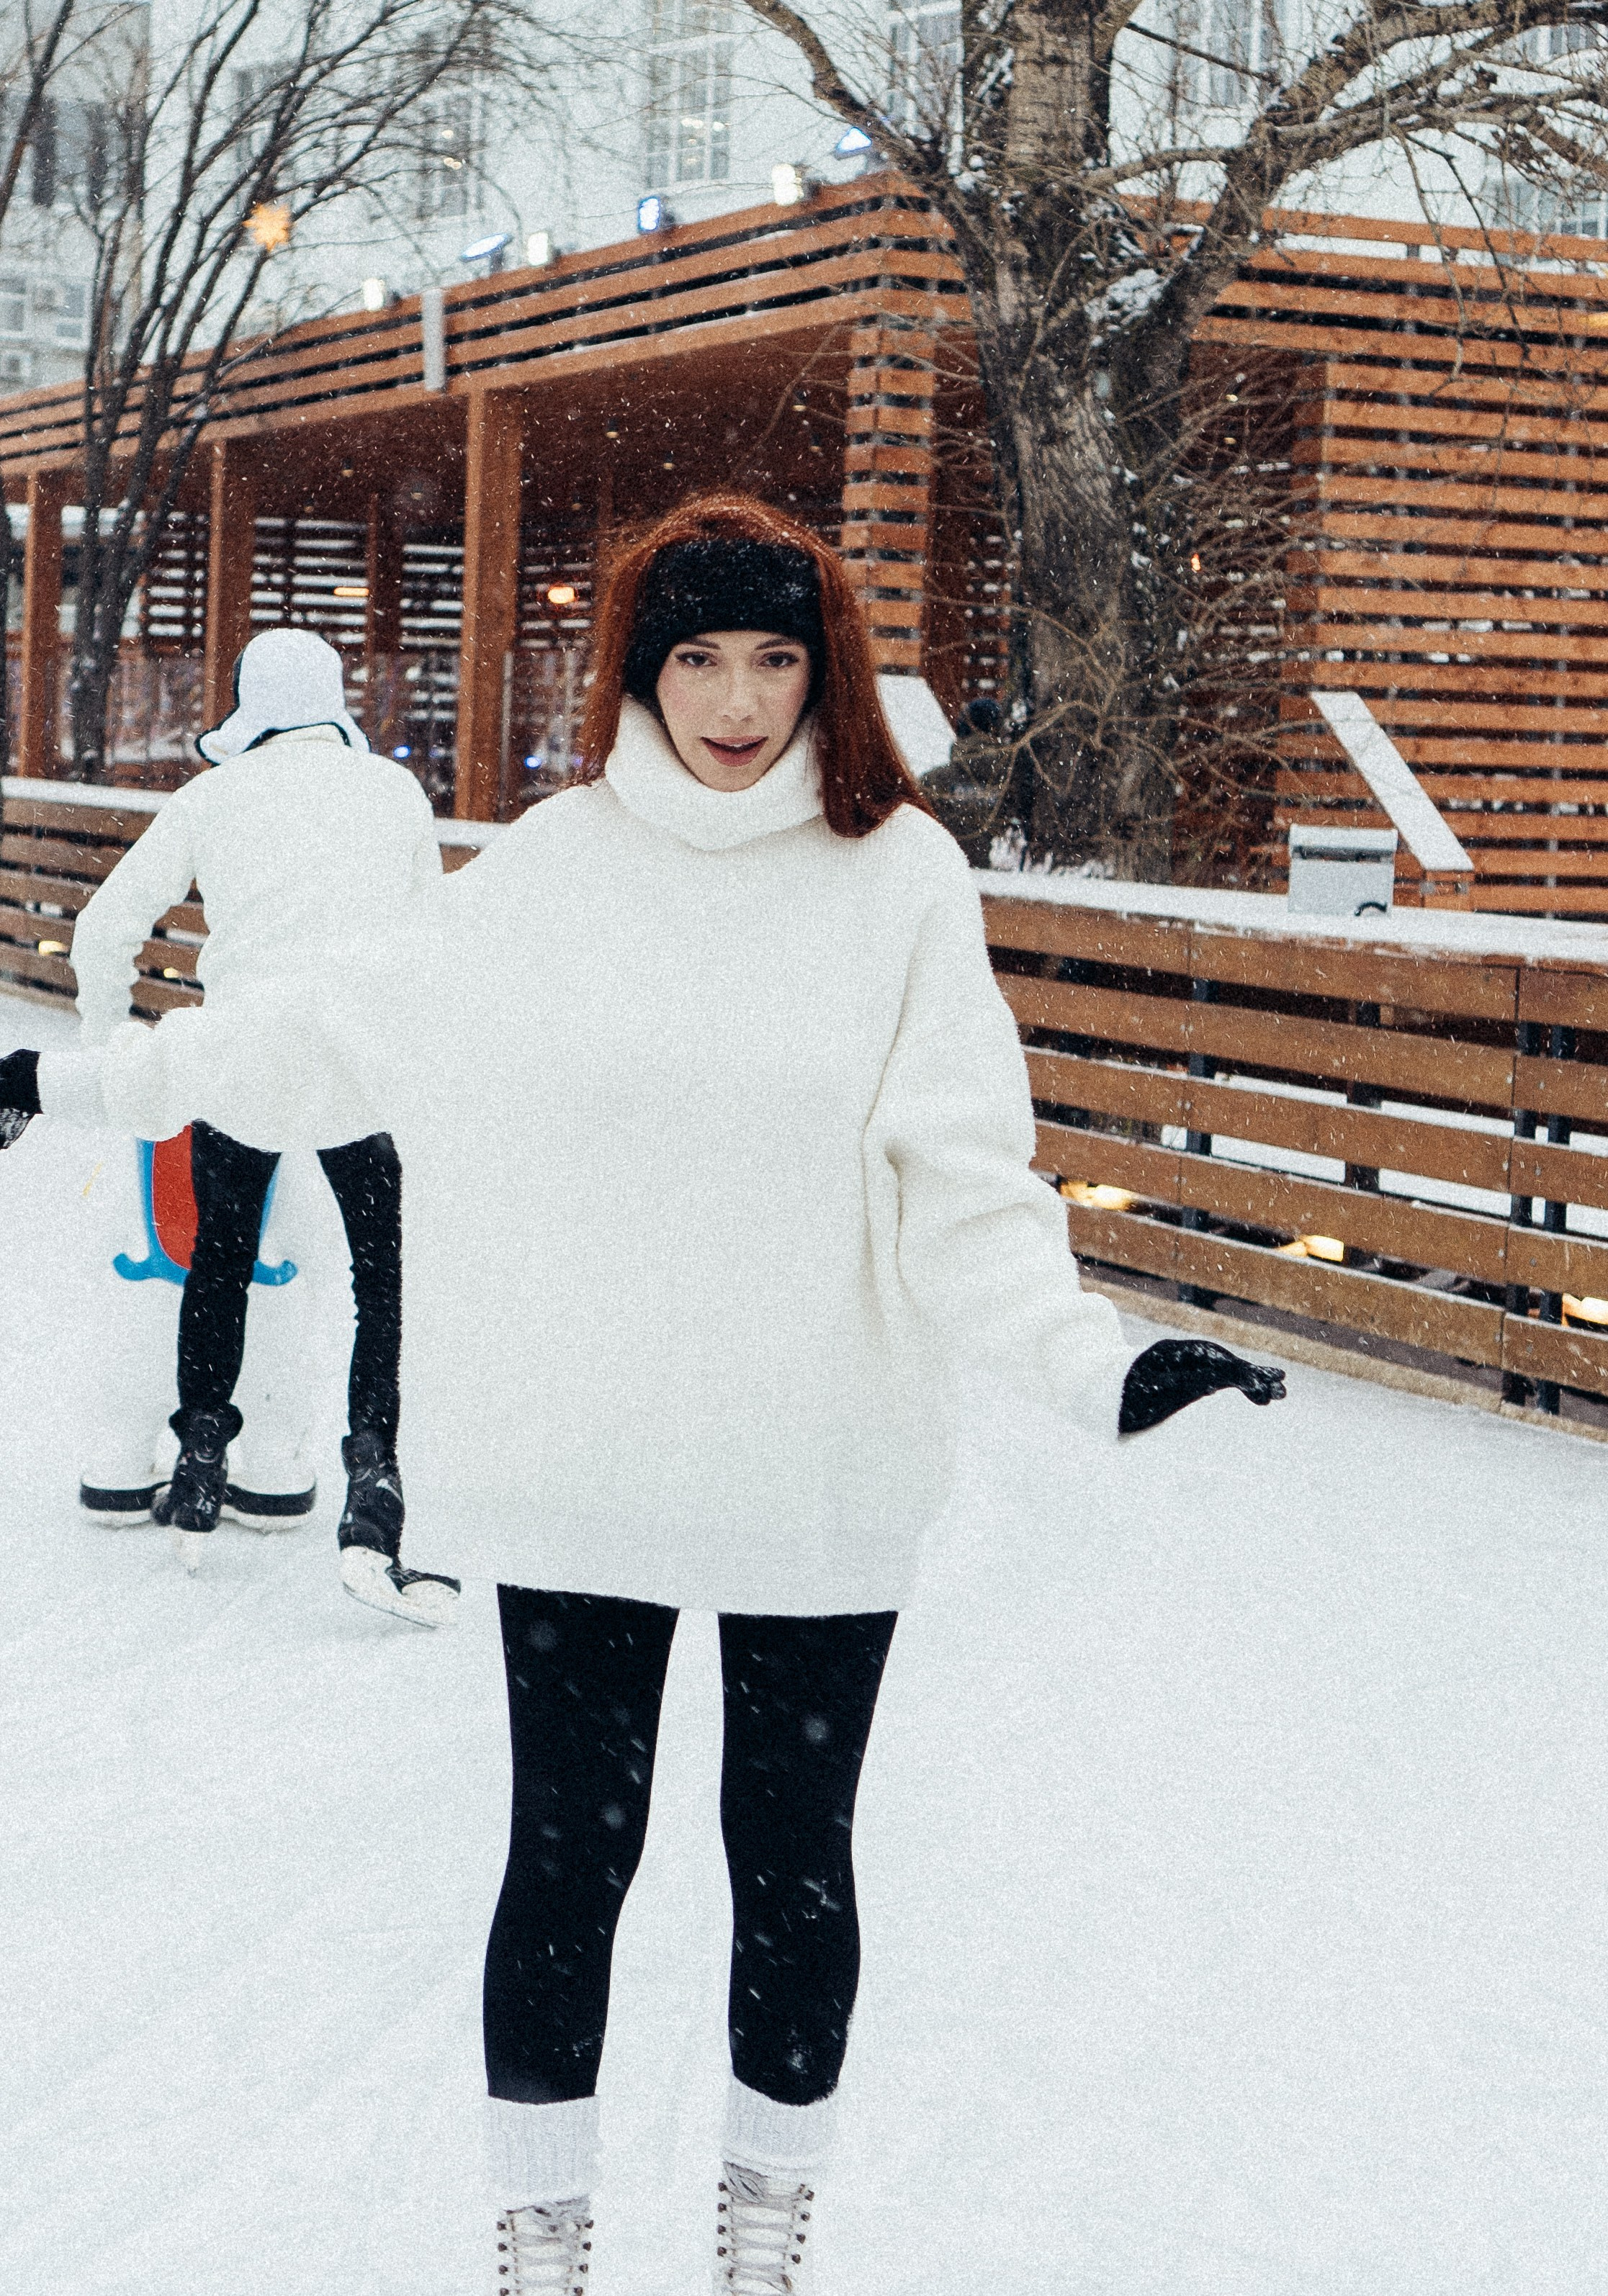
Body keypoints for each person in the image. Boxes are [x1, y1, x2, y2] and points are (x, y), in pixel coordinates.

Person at [6, 498, 1283, 2291]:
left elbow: (968, 1184)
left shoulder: (895, 881)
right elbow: (325, 1024)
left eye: (773, 657)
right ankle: (543, 2258)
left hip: (815, 1462)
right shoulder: (559, 869)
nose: (739, 700)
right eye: (700, 657)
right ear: (642, 669)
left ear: (822, 665)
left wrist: (1098, 1361)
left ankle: (761, 2253)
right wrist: (82, 1084)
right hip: (591, 1454)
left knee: (790, 1858)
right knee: (566, 1859)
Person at [0, 627, 459, 1626]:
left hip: (242, 1065)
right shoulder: (393, 794)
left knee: (220, 1254)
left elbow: (104, 926)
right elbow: (436, 947)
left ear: (250, 707)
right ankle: (372, 1472)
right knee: (377, 1277)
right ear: (333, 702)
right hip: (359, 1073)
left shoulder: (212, 796)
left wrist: (110, 1045)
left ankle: (203, 1449)